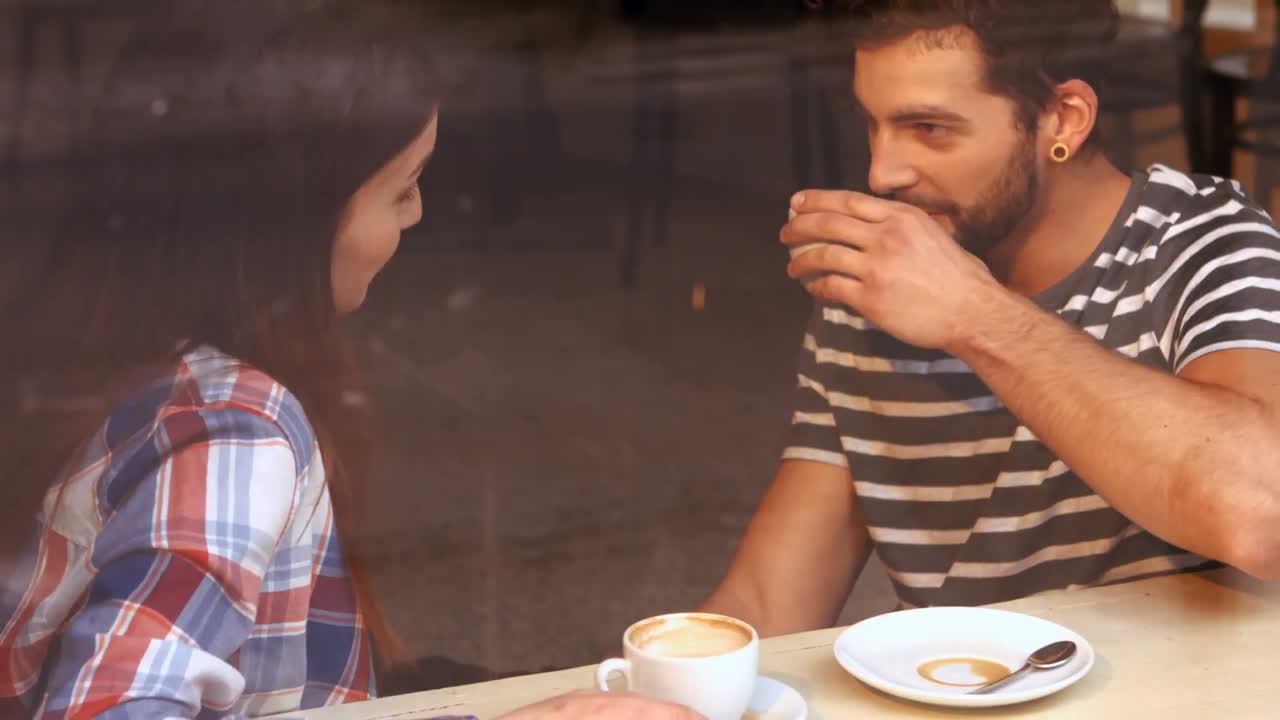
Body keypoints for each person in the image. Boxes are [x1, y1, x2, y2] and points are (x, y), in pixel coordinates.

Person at [0, 2, 698, 718]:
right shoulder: (231, 436)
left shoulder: (99, 353)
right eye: (402, 187)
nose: (416, 212)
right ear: (296, 218)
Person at [703, 0, 1280, 638]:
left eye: (929, 128)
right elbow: (768, 601)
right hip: (953, 682)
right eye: (872, 123)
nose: (881, 173)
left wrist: (975, 315)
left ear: (1064, 118)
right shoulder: (881, 284)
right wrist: (667, 680)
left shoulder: (1201, 243)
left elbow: (1260, 513)